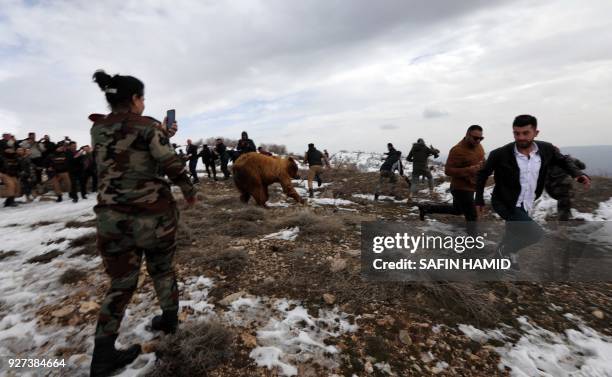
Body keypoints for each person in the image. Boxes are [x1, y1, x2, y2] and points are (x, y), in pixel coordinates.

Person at [89, 69, 197, 377]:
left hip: (111, 219)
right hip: (153, 217)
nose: (144, 102)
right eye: (142, 98)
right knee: (162, 269)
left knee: (121, 283)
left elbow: (127, 150)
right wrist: (189, 190)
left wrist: (160, 133)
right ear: (135, 99)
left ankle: (103, 355)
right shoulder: (149, 127)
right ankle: (170, 320)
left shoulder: (98, 129)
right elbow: (169, 163)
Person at [475, 114, 590, 271]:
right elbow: (482, 175)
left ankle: (497, 263)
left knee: (513, 231)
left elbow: (563, 160)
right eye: (516, 133)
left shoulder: (546, 149)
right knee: (534, 234)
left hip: (527, 200)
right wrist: (479, 200)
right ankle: (504, 253)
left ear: (536, 132)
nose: (520, 137)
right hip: (505, 202)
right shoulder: (500, 154)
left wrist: (577, 174)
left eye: (525, 133)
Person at [418, 125, 485, 234]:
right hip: (460, 187)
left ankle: (426, 208)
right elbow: (448, 171)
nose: (478, 141)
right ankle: (473, 243)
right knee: (472, 215)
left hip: (472, 185)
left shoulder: (479, 147)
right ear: (467, 135)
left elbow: (482, 159)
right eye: (475, 138)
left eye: (480, 138)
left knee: (457, 210)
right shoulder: (457, 150)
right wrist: (469, 170)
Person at [545, 153, 586, 221]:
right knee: (564, 200)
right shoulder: (568, 160)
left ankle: (565, 216)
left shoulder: (544, 161)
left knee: (564, 200)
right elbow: (582, 166)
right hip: (562, 186)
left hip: (549, 188)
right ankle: (563, 221)